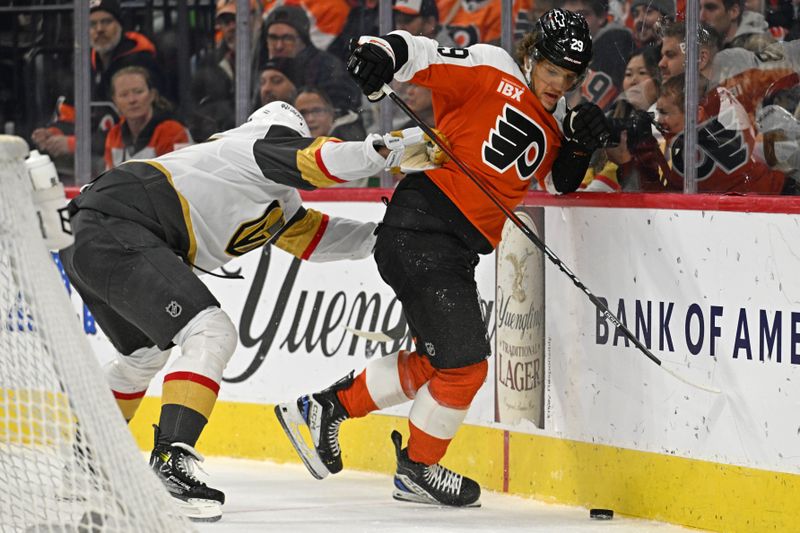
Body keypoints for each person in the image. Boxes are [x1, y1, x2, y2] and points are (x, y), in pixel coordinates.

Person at [275, 8, 609, 507]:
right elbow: (421, 54)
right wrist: (381, 53)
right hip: (421, 229)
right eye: (552, 69)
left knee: (441, 361)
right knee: (466, 365)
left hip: (449, 248)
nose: (559, 83)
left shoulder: (556, 116)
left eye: (570, 76)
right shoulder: (493, 66)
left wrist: (581, 146)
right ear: (532, 56)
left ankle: (324, 409)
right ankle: (418, 466)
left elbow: (558, 181)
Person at [58, 101, 444, 522]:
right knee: (212, 332)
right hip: (118, 227)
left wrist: (388, 236)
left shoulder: (268, 191)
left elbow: (315, 240)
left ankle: (84, 465)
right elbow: (324, 162)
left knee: (143, 357)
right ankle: (171, 463)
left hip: (88, 236)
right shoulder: (252, 145)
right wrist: (391, 148)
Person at [30, 0, 165, 181]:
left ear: (120, 25)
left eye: (106, 22)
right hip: (97, 150)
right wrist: (55, 132)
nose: (99, 29)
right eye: (92, 24)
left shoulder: (140, 63)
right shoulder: (84, 62)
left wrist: (75, 144)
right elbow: (70, 110)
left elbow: (135, 128)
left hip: (138, 164)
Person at [260, 6, 362, 116]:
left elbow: (341, 115)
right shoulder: (263, 66)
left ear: (303, 40)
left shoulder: (328, 69)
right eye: (273, 38)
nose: (279, 46)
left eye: (287, 38)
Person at [104, 66, 191, 169]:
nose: (132, 100)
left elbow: (177, 177)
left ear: (152, 95)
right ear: (115, 101)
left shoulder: (172, 131)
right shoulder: (114, 135)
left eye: (138, 92)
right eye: (124, 95)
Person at [559, 0, 635, 110]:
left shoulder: (615, 39)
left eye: (582, 15)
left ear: (601, 17)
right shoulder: (570, 50)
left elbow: (582, 114)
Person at [699, 0, 776, 52]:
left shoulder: (760, 49)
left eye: (710, 8)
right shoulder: (700, 45)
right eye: (699, 9)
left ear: (734, 11)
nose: (701, 17)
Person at [295, 86, 366, 141]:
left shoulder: (349, 142)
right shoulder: (287, 148)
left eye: (317, 111)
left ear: (331, 113)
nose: (310, 119)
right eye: (302, 113)